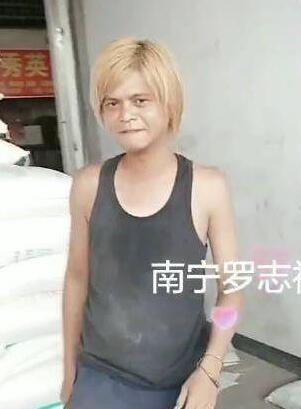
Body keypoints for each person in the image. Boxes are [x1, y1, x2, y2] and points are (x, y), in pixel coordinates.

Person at [60, 37, 243, 409]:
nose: (125, 114)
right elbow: (77, 279)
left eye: (140, 100)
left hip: (180, 382)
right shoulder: (89, 185)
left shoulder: (207, 187)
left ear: (169, 103)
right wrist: (69, 369)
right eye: (112, 103)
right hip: (100, 377)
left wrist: (211, 369)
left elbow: (233, 290)